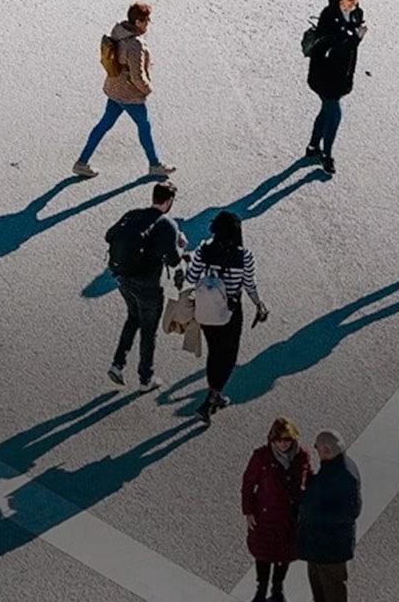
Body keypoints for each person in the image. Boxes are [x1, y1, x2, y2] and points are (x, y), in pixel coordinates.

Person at [183, 210, 269, 423]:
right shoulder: (244, 255)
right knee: (228, 355)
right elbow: (249, 284)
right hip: (230, 311)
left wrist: (188, 261)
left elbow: (191, 277)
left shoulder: (204, 249)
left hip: (205, 310)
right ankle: (212, 398)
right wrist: (259, 304)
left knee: (214, 352)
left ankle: (216, 394)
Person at [74, 1, 175, 179]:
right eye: (146, 20)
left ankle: (82, 162)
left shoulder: (119, 31)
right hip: (129, 94)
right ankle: (155, 164)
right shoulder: (135, 45)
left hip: (114, 88)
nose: (148, 23)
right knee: (144, 126)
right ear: (138, 22)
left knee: (104, 125)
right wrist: (147, 89)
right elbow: (137, 76)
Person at [104, 181, 186, 390]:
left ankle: (118, 364)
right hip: (148, 285)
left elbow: (108, 235)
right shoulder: (167, 224)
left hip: (123, 279)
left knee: (133, 317)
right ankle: (145, 379)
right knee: (149, 331)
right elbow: (174, 261)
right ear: (168, 202)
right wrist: (180, 244)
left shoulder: (133, 214)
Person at [241, 417, 312, 602]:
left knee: (284, 554)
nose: (282, 444)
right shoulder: (261, 456)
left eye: (287, 439)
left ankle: (278, 588)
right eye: (278, 439)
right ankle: (261, 588)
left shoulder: (302, 455)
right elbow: (248, 484)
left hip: (290, 517)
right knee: (263, 554)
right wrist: (248, 511)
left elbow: (308, 476)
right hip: (266, 515)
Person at [304, 0, 366, 175]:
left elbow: (350, 44)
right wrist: (356, 37)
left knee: (326, 110)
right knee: (335, 113)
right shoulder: (328, 15)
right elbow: (336, 42)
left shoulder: (357, 13)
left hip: (343, 73)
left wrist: (354, 37)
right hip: (324, 74)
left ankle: (313, 147)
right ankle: (327, 155)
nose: (354, 3)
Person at [296, 429, 361, 602]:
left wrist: (311, 511)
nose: (317, 452)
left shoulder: (345, 475)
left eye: (317, 449)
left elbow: (350, 512)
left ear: (327, 451)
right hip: (320, 546)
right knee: (319, 587)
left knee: (333, 591)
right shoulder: (337, 467)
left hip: (330, 549)